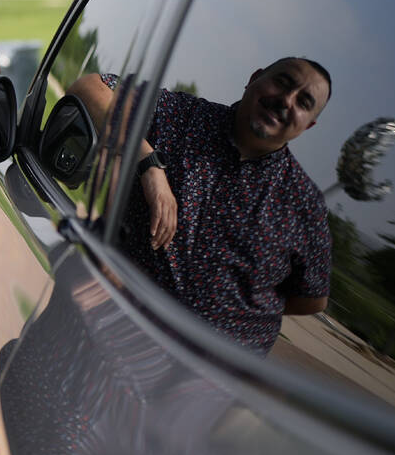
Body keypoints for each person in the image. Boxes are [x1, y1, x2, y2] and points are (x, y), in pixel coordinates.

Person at [69, 56, 332, 354]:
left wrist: (231, 311)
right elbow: (90, 88)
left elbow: (312, 298)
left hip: (206, 378)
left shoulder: (305, 203)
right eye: (283, 82)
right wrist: (147, 160)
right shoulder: (181, 117)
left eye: (304, 101)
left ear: (308, 125)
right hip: (108, 330)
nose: (286, 100)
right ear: (255, 77)